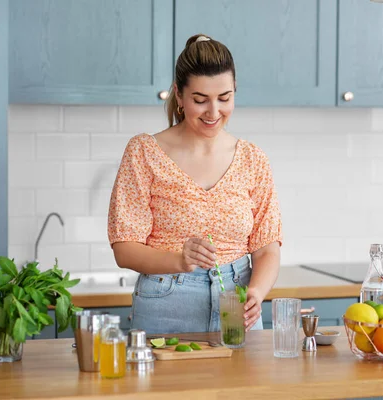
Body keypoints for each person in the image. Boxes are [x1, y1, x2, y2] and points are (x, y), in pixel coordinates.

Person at [108, 33, 282, 334]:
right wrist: (178, 260)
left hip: (237, 304)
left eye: (224, 99)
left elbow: (267, 248)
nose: (214, 113)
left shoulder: (253, 159)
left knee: (244, 383)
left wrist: (257, 291)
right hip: (166, 304)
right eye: (200, 100)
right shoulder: (144, 152)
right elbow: (124, 248)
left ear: (235, 90)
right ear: (179, 94)